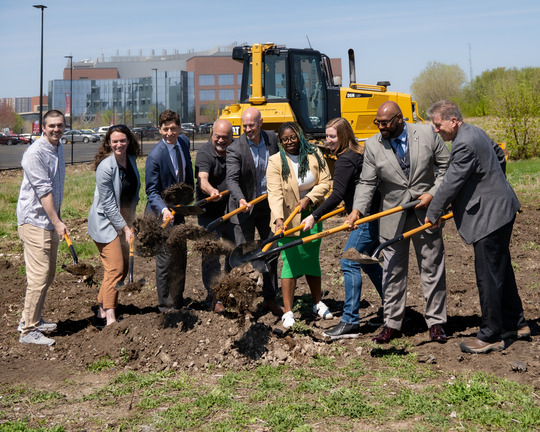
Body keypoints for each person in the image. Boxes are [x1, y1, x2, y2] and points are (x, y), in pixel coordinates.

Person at [425, 100, 529, 354]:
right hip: (501, 208)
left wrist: (433, 212)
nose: (436, 130)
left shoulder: (464, 143)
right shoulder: (475, 131)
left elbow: (450, 182)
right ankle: (516, 323)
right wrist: (492, 184)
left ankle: (491, 334)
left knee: (488, 275)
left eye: (438, 125)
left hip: (490, 217)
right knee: (500, 268)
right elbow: (498, 155)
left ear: (453, 120)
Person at [347, 101, 451, 344]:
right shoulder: (373, 144)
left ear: (399, 119)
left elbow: (448, 166)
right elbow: (367, 182)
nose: (380, 127)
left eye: (385, 123)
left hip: (426, 214)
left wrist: (433, 194)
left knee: (432, 268)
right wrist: (357, 210)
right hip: (393, 216)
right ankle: (392, 324)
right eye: (378, 123)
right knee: (392, 271)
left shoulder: (426, 134)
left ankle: (436, 323)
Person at [303, 117, 384, 339]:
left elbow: (336, 193)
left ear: (343, 136)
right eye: (326, 136)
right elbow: (350, 191)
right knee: (367, 263)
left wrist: (314, 216)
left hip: (366, 218)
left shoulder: (345, 160)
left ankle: (350, 322)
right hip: (375, 215)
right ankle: (392, 309)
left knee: (349, 261)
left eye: (332, 137)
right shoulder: (359, 153)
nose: (327, 141)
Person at [267, 122, 332, 328]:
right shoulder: (276, 161)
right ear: (280, 141)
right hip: (287, 220)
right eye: (285, 139)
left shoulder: (314, 154)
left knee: (312, 258)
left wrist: (309, 198)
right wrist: (278, 219)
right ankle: (288, 311)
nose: (289, 142)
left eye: (292, 137)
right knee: (290, 261)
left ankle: (317, 302)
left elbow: (325, 181)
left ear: (299, 136)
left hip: (312, 215)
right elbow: (275, 192)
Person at [17, 110, 68, 346]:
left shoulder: (58, 148)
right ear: (43, 128)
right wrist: (58, 222)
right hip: (34, 221)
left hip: (49, 220)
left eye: (60, 125)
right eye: (51, 126)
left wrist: (56, 220)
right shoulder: (35, 153)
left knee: (48, 273)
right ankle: (28, 331)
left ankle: (31, 318)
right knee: (38, 276)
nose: (56, 129)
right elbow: (43, 191)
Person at [225, 107, 282, 315]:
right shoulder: (235, 148)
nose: (247, 129)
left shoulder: (271, 139)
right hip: (244, 208)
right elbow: (231, 179)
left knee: (271, 250)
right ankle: (245, 304)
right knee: (244, 254)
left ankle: (269, 298)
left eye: (251, 125)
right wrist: (240, 198)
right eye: (244, 125)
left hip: (268, 205)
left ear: (261, 123)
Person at [88, 125, 141, 326]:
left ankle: (101, 310)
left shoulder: (132, 162)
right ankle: (110, 317)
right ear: (109, 143)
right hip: (105, 224)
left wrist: (131, 223)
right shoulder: (105, 167)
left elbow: (132, 195)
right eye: (115, 141)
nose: (119, 144)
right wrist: (125, 228)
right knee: (116, 268)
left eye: (123, 140)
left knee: (123, 266)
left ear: (129, 141)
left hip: (123, 223)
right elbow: (109, 205)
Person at [145, 110, 194, 312]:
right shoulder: (155, 156)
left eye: (173, 128)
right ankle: (165, 305)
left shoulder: (183, 143)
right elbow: (151, 191)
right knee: (165, 258)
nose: (169, 133)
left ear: (179, 128)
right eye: (165, 129)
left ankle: (178, 300)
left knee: (180, 255)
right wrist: (164, 210)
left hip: (178, 211)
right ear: (159, 129)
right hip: (161, 215)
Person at [195, 119, 235, 313]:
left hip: (231, 210)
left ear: (231, 137)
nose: (220, 140)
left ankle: (228, 291)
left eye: (224, 137)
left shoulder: (235, 150)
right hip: (208, 213)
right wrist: (211, 191)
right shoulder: (205, 153)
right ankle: (213, 297)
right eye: (217, 136)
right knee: (211, 254)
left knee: (232, 252)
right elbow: (202, 179)